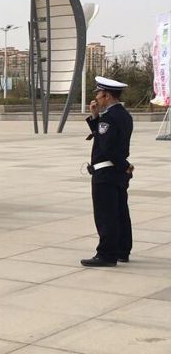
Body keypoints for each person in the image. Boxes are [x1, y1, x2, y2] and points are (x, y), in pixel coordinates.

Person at [81, 76, 134, 267]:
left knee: (106, 215)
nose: (96, 98)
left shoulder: (109, 118)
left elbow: (107, 147)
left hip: (106, 173)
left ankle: (106, 254)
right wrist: (95, 117)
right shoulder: (123, 115)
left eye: (99, 94)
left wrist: (124, 165)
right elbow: (108, 139)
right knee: (120, 212)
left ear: (107, 95)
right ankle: (122, 250)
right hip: (117, 173)